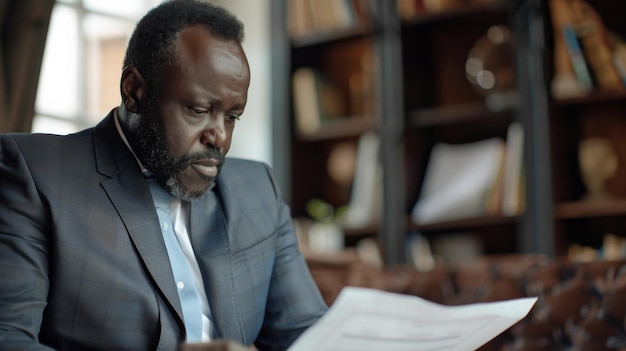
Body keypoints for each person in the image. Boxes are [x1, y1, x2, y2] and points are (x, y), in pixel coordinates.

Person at [0, 1, 327, 350]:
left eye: (232, 117)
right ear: (134, 91)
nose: (220, 137)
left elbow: (309, 338)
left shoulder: (257, 191)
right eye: (199, 110)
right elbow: (9, 339)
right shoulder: (36, 174)